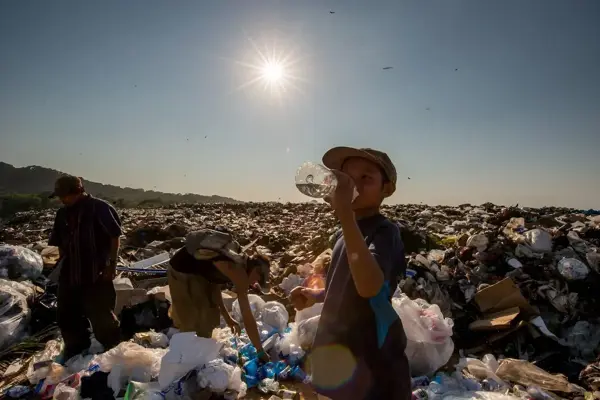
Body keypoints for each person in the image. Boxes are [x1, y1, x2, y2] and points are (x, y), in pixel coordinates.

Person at [290, 147, 411, 400]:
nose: (353, 185)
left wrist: (344, 213)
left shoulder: (384, 232)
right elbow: (344, 284)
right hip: (335, 348)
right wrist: (315, 295)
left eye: (365, 178)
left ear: (386, 189)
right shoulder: (342, 233)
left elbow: (370, 288)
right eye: (346, 179)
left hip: (369, 354)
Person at [167, 228, 271, 362]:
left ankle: (201, 355)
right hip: (180, 270)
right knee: (191, 320)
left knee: (210, 317)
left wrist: (227, 317)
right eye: (256, 279)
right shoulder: (237, 270)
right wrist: (259, 350)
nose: (254, 283)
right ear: (255, 270)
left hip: (201, 274)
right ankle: (184, 360)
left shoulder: (235, 263)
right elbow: (247, 315)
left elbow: (215, 284)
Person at [48, 175, 122, 362]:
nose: (62, 200)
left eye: (65, 196)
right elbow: (60, 243)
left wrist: (111, 265)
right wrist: (61, 264)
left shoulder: (100, 208)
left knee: (101, 316)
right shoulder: (62, 214)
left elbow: (115, 237)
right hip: (70, 272)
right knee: (66, 315)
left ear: (78, 192)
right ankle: (76, 351)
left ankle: (113, 352)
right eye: (61, 197)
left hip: (95, 272)